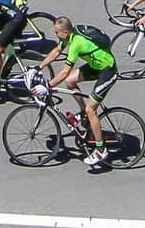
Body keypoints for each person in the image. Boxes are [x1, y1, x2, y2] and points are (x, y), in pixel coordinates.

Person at [37, 15, 118, 170]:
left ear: (66, 33)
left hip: (108, 70)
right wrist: (39, 67)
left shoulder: (76, 43)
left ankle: (100, 150)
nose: (56, 35)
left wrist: (47, 86)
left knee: (91, 108)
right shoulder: (70, 36)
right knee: (71, 82)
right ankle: (83, 113)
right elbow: (56, 51)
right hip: (96, 66)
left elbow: (64, 72)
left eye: (57, 33)